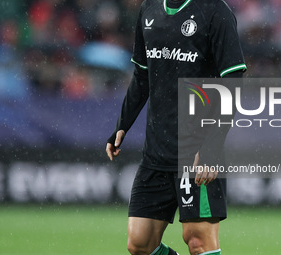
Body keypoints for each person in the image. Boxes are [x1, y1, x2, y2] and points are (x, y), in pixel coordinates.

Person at [106, 0, 246, 254]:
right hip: (156, 151)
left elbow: (233, 82)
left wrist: (211, 148)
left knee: (197, 240)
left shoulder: (215, 11)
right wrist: (122, 124)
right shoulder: (149, 9)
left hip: (196, 151)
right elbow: (141, 74)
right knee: (139, 244)